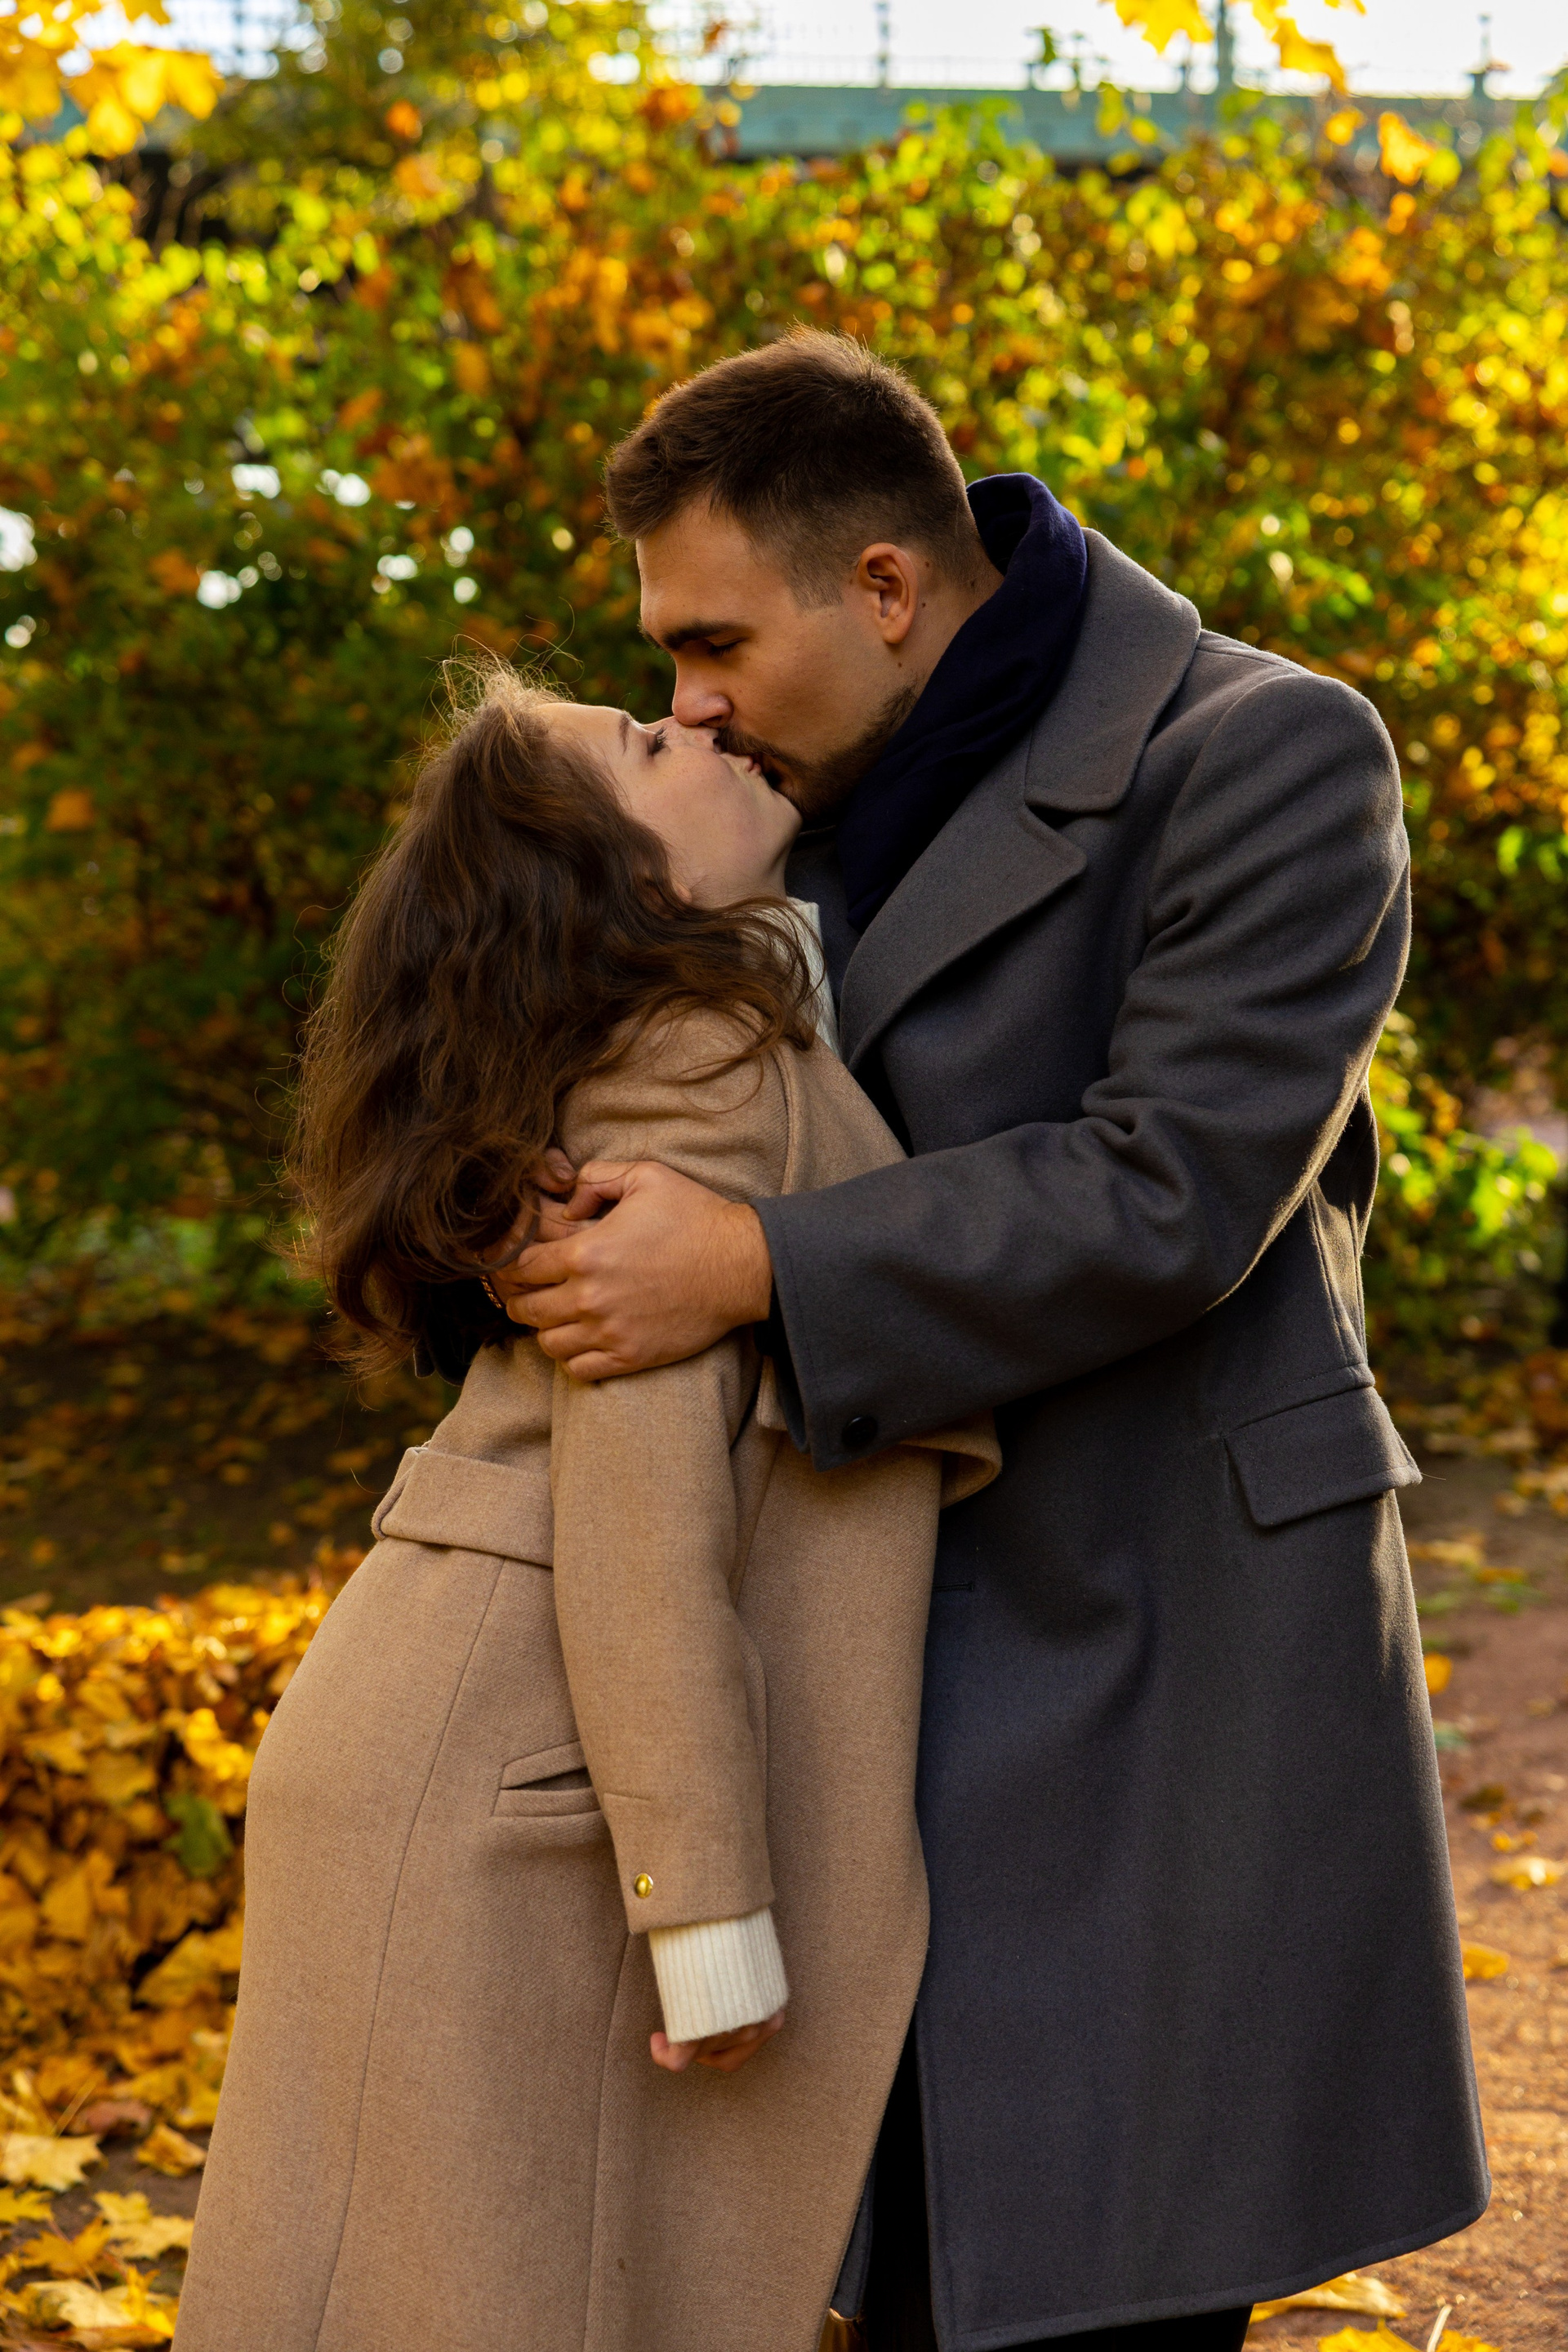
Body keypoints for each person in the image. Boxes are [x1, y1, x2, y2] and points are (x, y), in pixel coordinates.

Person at [493, 332, 1490, 2351]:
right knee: (863, 2265)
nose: (685, 702)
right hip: (846, 1627)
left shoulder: (1270, 754)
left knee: (1095, 2278)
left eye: (713, 642)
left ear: (883, 586)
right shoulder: (770, 788)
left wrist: (754, 1264)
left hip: (1157, 1633)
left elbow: (1176, 1185)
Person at [172, 671, 996, 2352]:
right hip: (505, 1778)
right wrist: (707, 1906)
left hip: (457, 1748)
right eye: (644, 745)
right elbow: (638, 1501)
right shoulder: (696, 1054)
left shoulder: (688, 1034)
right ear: (616, 881)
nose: (698, 726)